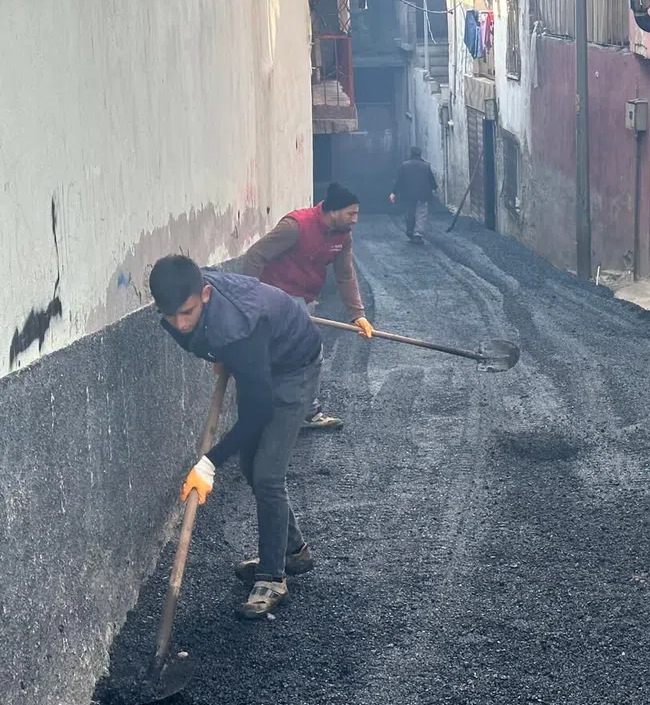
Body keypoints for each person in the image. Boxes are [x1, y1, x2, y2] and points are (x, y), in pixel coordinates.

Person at [150, 255, 322, 619]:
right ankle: (292, 551)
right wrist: (218, 350)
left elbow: (258, 414)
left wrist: (209, 462)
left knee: (268, 473)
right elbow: (217, 333)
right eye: (171, 316)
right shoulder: (193, 294)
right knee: (249, 462)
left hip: (295, 366)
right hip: (258, 358)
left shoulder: (240, 331)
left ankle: (273, 577)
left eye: (188, 313)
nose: (180, 325)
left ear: (206, 294)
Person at [241, 182, 375, 430]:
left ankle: (291, 411)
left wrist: (358, 315)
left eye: (357, 213)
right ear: (333, 211)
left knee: (292, 356)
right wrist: (249, 298)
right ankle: (303, 412)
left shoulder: (343, 235)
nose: (355, 219)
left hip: (304, 296)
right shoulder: (296, 226)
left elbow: (345, 275)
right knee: (310, 352)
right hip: (278, 295)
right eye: (351, 213)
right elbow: (255, 256)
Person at [390, 146, 438, 244]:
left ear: (410, 154)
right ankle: (417, 234)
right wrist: (434, 189)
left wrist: (393, 193)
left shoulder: (404, 165)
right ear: (420, 154)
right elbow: (432, 182)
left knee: (410, 212)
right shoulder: (426, 166)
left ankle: (410, 230)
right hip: (423, 195)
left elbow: (399, 181)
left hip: (409, 194)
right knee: (421, 213)